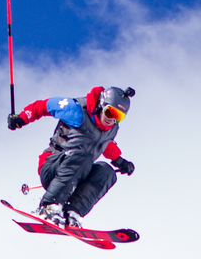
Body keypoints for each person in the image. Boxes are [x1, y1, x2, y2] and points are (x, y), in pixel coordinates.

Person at [8, 84, 135, 225]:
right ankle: (49, 207)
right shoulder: (76, 110)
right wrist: (21, 119)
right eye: (110, 112)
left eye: (119, 116)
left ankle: (72, 212)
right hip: (53, 167)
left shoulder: (110, 128)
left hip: (76, 176)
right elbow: (45, 106)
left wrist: (119, 161)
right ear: (101, 104)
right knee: (84, 156)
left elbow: (105, 143)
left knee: (107, 172)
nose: (112, 119)